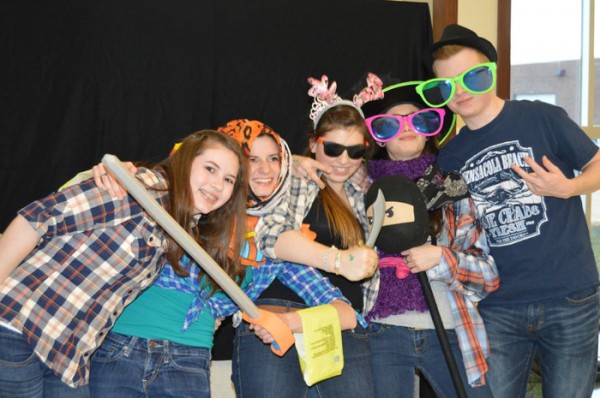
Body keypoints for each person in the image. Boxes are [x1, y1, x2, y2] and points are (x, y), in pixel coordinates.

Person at [89, 119, 360, 396]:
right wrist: (111, 175)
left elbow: (348, 314)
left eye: (274, 159)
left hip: (187, 363)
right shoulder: (182, 201)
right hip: (120, 348)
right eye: (252, 159)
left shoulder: (278, 243)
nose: (265, 169)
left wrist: (290, 322)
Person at [421, 24, 600, 398]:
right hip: (497, 306)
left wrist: (568, 188)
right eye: (447, 84)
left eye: (472, 76)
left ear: (491, 72)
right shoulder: (451, 154)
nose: (462, 90)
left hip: (569, 296)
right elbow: (421, 207)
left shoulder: (542, 118)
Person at [0, 130, 249, 397]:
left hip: (68, 356)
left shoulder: (179, 226)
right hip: (22, 328)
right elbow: (36, 220)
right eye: (209, 168)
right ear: (184, 161)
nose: (217, 184)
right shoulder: (135, 189)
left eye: (228, 179)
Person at [236, 75, 379, 398]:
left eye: (355, 151)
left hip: (341, 323)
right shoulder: (292, 181)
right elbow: (269, 237)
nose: (344, 160)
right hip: (278, 310)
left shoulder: (365, 198)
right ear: (314, 143)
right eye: (333, 148)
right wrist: (338, 261)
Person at [359, 79, 498, 397]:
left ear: (431, 128)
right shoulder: (361, 191)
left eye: (418, 119)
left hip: (450, 330)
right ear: (379, 137)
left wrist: (440, 259)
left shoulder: (454, 190)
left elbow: (488, 275)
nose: (407, 128)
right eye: (391, 123)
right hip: (382, 333)